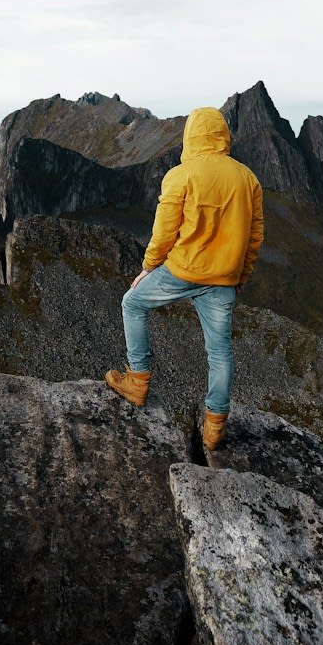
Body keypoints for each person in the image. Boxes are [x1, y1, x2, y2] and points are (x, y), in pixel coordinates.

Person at [105, 105, 264, 450]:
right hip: (224, 278)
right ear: (223, 135)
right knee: (220, 353)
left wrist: (148, 267)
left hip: (182, 270)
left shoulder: (180, 175)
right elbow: (255, 236)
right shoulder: (247, 179)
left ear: (190, 136)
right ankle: (214, 427)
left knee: (132, 304)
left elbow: (163, 232)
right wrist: (241, 276)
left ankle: (137, 381)